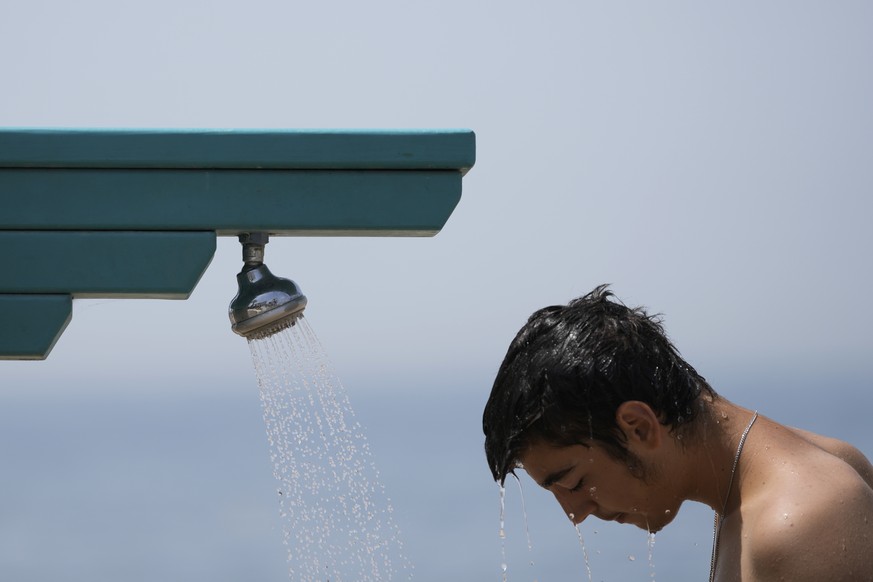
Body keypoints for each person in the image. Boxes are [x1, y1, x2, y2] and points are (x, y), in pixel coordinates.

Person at [482, 285, 873, 581]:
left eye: (575, 481)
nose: (575, 513)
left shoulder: (798, 525)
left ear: (639, 426)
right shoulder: (754, 493)